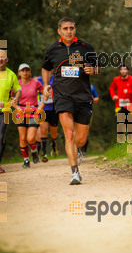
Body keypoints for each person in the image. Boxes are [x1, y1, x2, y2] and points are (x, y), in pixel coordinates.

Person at [42, 17, 100, 185]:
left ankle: (77, 151)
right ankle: (75, 172)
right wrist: (46, 85)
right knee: (69, 133)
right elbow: (46, 68)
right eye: (65, 28)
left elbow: (97, 68)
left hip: (83, 96)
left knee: (80, 139)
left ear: (75, 30)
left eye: (71, 28)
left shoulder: (86, 47)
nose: (69, 31)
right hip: (62, 96)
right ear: (59, 31)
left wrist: (93, 70)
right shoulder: (53, 49)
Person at [17, 63, 44, 168]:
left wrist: (41, 107)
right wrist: (15, 106)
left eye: (27, 70)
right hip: (20, 113)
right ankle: (26, 161)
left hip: (34, 112)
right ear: (19, 73)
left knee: (31, 138)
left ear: (30, 72)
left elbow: (45, 95)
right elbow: (9, 97)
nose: (25, 72)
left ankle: (34, 151)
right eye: (22, 70)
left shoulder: (36, 83)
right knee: (23, 138)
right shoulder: (16, 84)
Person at [0, 50, 22, 173]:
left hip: (5, 111)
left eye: (2, 58)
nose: (0, 60)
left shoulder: (11, 74)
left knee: (1, 136)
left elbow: (18, 90)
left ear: (6, 60)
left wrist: (16, 99)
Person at [109, 64, 132, 129]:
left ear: (127, 70)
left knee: (130, 125)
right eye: (121, 69)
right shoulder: (116, 79)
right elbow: (111, 88)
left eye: (124, 69)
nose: (123, 71)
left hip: (130, 106)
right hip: (119, 105)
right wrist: (113, 96)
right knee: (120, 123)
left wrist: (129, 91)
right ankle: (121, 139)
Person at [36, 74, 59, 162]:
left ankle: (54, 143)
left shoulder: (56, 78)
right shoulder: (38, 80)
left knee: (54, 133)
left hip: (54, 109)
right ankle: (44, 153)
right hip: (43, 109)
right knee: (43, 130)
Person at [81, 84, 99, 157]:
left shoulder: (91, 87)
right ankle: (76, 150)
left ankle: (84, 151)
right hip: (75, 110)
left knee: (86, 131)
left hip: (87, 110)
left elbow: (97, 98)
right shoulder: (74, 84)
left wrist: (92, 99)